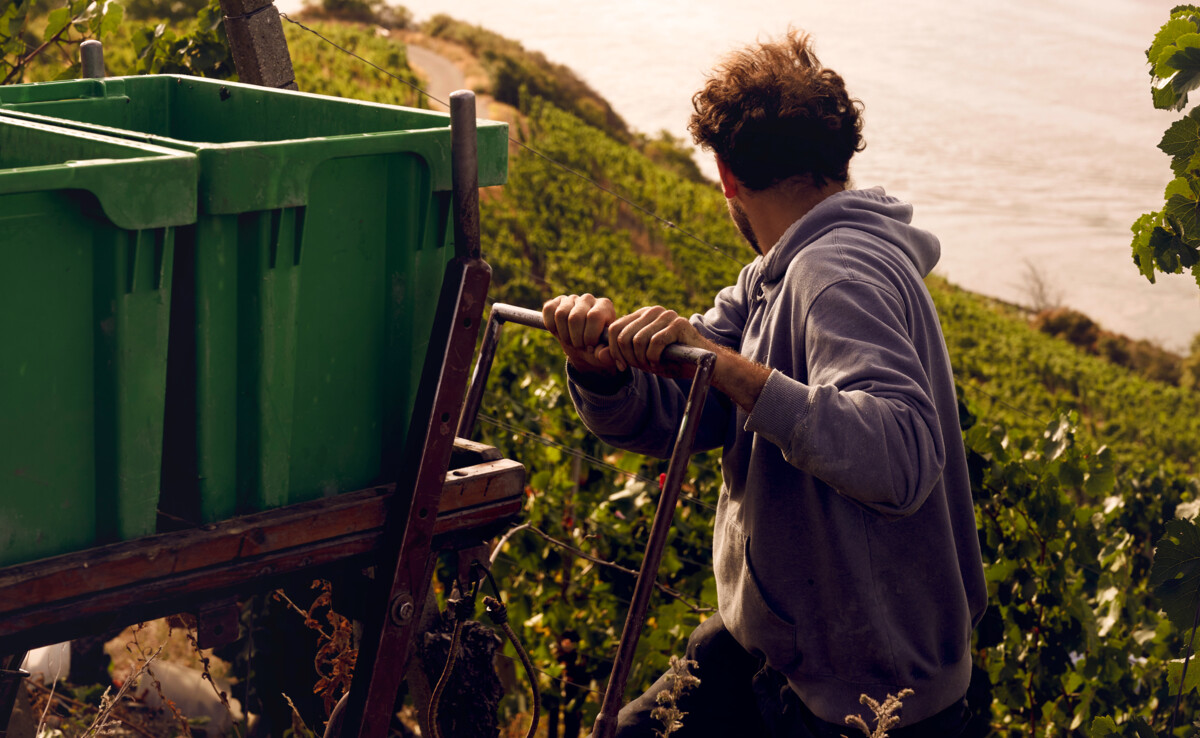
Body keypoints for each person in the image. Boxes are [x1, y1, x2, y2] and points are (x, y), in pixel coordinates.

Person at [542, 30, 987, 738]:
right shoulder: (771, 278)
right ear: (837, 158)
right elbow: (683, 414)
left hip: (868, 702)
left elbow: (902, 457)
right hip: (779, 652)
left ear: (725, 175)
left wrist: (728, 368)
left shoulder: (835, 272)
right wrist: (601, 373)